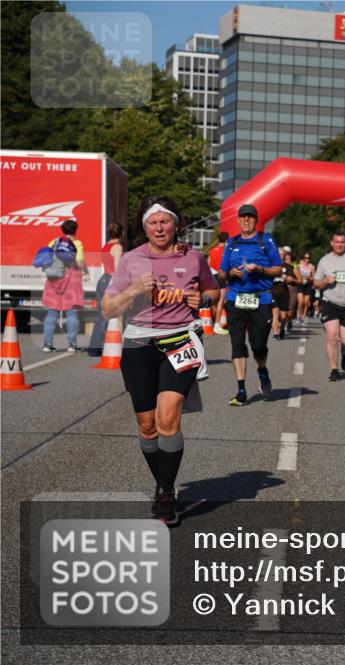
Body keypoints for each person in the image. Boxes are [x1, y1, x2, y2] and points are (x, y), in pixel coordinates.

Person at [101, 196, 218, 525]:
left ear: (176, 224)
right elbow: (108, 309)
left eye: (164, 221)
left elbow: (213, 291)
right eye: (152, 223)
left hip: (181, 340)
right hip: (138, 345)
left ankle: (166, 494)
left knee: (168, 417)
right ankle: (163, 482)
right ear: (144, 227)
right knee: (147, 426)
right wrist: (132, 290)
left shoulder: (193, 257)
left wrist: (204, 298)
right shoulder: (131, 261)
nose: (159, 228)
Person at [219, 204, 283, 406]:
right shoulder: (232, 242)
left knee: (258, 346)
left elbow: (278, 270)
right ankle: (241, 390)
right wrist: (231, 274)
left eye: (250, 217)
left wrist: (260, 270)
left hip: (261, 299)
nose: (246, 220)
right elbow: (221, 273)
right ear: (238, 220)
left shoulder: (266, 240)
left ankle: (262, 370)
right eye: (243, 217)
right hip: (235, 298)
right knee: (237, 343)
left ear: (256, 220)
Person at [314, 230, 345, 382]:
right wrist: (325, 282)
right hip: (330, 303)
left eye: (342, 242)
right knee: (332, 337)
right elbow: (316, 282)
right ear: (332, 243)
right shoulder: (324, 261)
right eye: (337, 242)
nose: (339, 245)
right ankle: (334, 369)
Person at [42, 219, 88, 352]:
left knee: (52, 311)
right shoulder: (76, 243)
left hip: (54, 279)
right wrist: (86, 271)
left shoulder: (54, 242)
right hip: (71, 279)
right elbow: (79, 261)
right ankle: (72, 344)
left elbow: (48, 259)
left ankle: (47, 344)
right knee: (71, 311)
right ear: (75, 230)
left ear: (63, 230)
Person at [87, 222, 125, 355]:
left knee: (101, 315)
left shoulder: (105, 246)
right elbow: (117, 268)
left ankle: (94, 347)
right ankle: (112, 346)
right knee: (114, 315)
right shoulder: (118, 247)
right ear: (122, 233)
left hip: (102, 280)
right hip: (111, 281)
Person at [206, 231, 229, 336]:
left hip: (211, 276)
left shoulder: (212, 250)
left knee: (213, 302)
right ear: (226, 240)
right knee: (220, 301)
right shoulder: (225, 251)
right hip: (221, 276)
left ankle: (211, 323)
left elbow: (208, 264)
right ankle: (217, 325)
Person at [271, 248, 297, 340]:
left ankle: (282, 329)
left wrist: (290, 279)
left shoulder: (288, 267)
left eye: (282, 254)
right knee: (275, 312)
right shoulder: (271, 265)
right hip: (273, 291)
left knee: (284, 315)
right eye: (279, 254)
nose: (281, 255)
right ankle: (275, 333)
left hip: (284, 292)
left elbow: (291, 279)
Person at [296, 252, 315, 323]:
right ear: (303, 258)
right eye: (305, 258)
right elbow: (296, 273)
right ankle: (298, 315)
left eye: (308, 258)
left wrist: (309, 278)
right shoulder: (299, 265)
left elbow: (314, 277)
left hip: (308, 285)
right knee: (300, 302)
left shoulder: (312, 267)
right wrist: (300, 277)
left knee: (306, 302)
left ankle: (303, 316)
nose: (307, 259)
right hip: (300, 285)